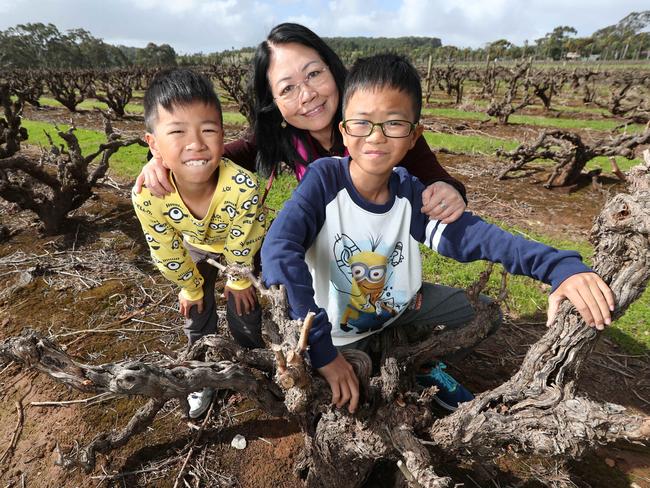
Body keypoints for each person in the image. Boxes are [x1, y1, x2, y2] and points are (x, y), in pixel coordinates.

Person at [260, 54, 615, 414]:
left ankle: (414, 363)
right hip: (337, 333)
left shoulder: (410, 193)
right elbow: (279, 249)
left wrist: (559, 267)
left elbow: (476, 237)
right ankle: (387, 368)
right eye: (362, 123)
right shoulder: (324, 182)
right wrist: (322, 351)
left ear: (414, 136)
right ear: (344, 132)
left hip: (399, 311)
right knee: (352, 400)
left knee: (484, 314)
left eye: (394, 124)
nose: (377, 137)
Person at [134, 22, 466, 224]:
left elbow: (436, 176)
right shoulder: (280, 136)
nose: (306, 95)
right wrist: (159, 160)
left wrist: (449, 191)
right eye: (288, 88)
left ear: (332, 68)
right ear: (274, 104)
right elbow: (215, 157)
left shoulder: (375, 124)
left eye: (313, 74)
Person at [132, 68, 266, 418]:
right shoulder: (150, 195)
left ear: (223, 135)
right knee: (196, 310)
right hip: (193, 245)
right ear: (153, 144)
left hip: (239, 246)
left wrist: (237, 279)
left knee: (246, 306)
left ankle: (254, 365)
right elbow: (164, 247)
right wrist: (189, 287)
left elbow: (244, 240)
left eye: (208, 130)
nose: (195, 143)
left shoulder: (242, 187)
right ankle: (200, 373)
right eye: (177, 131)